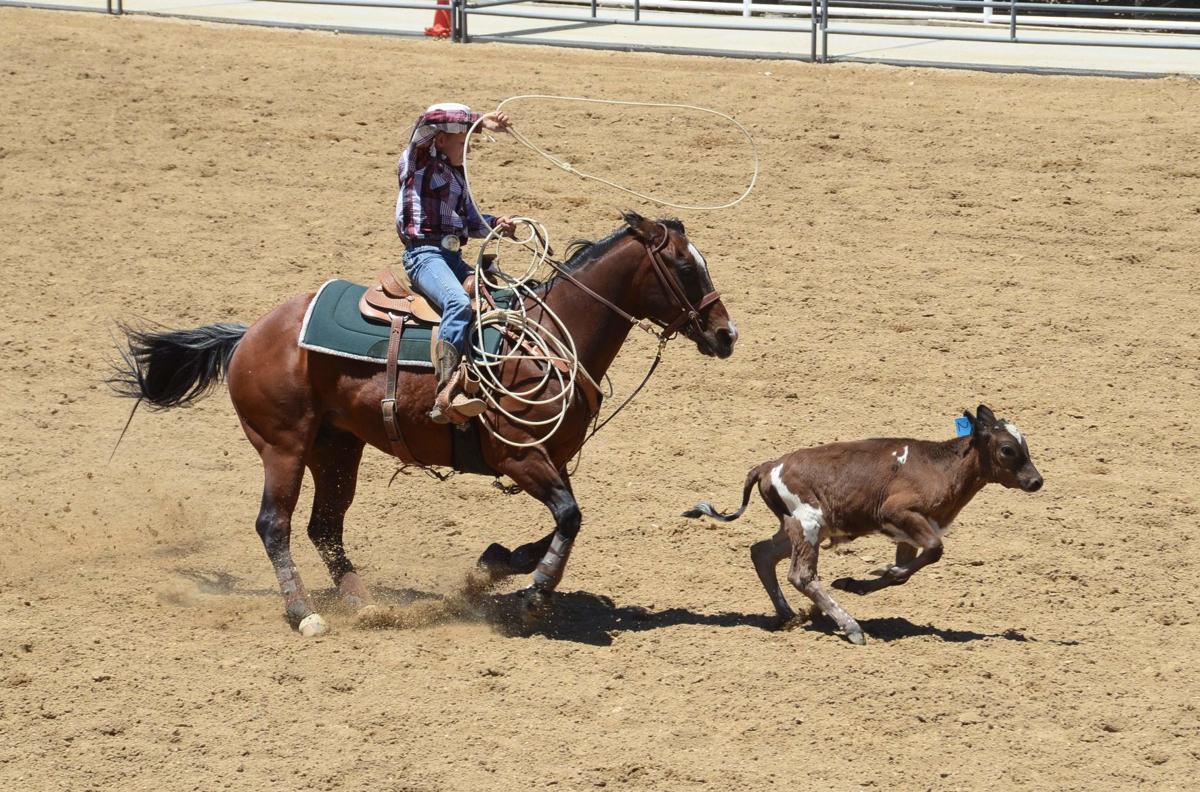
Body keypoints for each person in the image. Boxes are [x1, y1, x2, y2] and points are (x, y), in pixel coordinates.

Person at [395, 102, 516, 424]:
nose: (468, 146)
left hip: (452, 257)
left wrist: (498, 224)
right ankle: (446, 390)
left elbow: (472, 223)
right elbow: (428, 120)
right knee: (458, 301)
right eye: (463, 139)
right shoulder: (418, 161)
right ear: (440, 140)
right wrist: (481, 119)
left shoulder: (458, 179)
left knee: (507, 298)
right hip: (425, 255)